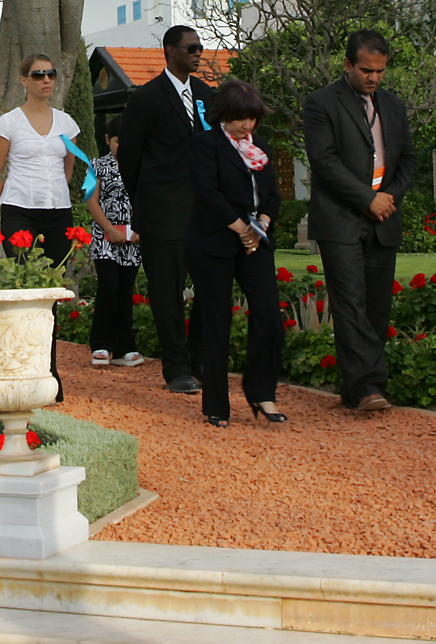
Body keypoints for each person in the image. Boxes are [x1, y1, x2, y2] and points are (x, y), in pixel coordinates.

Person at [303, 28, 417, 413]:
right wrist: (367, 199)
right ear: (349, 64)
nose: (374, 78)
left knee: (376, 307)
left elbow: (408, 160)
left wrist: (388, 199)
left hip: (383, 218)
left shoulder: (394, 106)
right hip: (340, 219)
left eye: (380, 71)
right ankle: (369, 386)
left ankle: (356, 388)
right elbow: (325, 162)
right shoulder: (320, 103)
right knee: (350, 303)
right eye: (367, 70)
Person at [118, 25, 216, 395]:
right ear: (169, 50)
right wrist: (146, 201)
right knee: (167, 293)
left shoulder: (207, 94)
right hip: (162, 212)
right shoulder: (146, 98)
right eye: (191, 47)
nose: (197, 53)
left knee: (209, 287)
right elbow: (130, 157)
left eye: (200, 48)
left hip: (204, 212)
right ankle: (176, 368)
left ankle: (200, 358)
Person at [0, 54, 83, 399]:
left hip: (57, 213)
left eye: (50, 74)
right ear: (23, 80)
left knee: (50, 294)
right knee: (22, 288)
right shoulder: (7, 123)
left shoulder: (67, 124)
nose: (46, 80)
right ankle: (20, 370)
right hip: (18, 213)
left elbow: (67, 171)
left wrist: (49, 194)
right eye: (38, 74)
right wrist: (15, 201)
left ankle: (49, 373)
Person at [188, 80, 286, 427]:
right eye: (241, 119)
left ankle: (262, 392)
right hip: (214, 242)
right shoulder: (205, 144)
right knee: (216, 323)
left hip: (255, 243)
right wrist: (239, 227)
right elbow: (206, 193)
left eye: (253, 119)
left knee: (269, 317)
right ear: (224, 115)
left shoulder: (260, 146)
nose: (248, 126)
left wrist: (261, 224)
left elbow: (273, 194)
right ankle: (216, 404)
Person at [87, 122, 145, 369]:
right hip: (105, 237)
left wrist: (142, 229)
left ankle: (124, 348)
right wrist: (109, 228)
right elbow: (91, 200)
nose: (122, 146)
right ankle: (100, 345)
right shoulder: (96, 165)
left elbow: (150, 199)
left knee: (125, 291)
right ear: (108, 139)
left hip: (133, 239)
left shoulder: (143, 164)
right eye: (118, 141)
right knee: (108, 287)